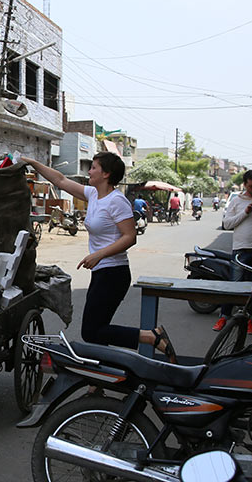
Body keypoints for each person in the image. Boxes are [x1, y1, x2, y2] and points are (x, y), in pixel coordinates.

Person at [22, 152, 175, 360]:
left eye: (94, 167)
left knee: (91, 331)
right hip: (102, 272)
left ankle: (150, 336)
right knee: (99, 329)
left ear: (106, 174)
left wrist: (99, 255)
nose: (89, 171)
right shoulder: (94, 194)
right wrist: (33, 163)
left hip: (114, 273)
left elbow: (130, 237)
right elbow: (60, 180)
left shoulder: (116, 201)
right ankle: (99, 380)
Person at [215, 170, 252, 333]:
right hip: (240, 250)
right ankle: (224, 316)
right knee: (235, 285)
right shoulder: (236, 201)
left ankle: (247, 319)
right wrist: (246, 212)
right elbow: (227, 224)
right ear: (245, 185)